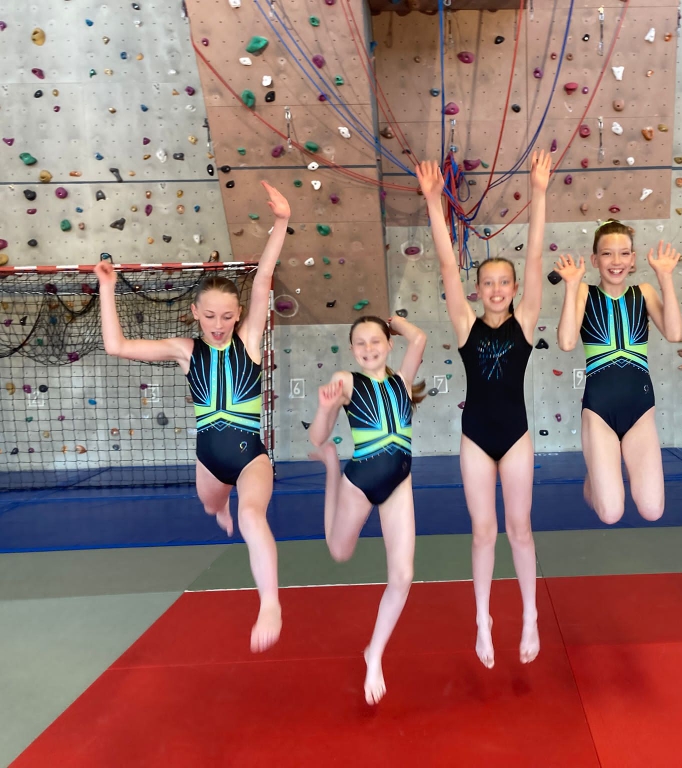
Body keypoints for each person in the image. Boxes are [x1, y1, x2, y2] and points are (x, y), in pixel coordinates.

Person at [97, 181, 291, 653]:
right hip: (208, 461)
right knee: (211, 505)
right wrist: (106, 288)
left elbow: (263, 278)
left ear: (239, 314)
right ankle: (218, 507)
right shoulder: (186, 351)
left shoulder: (249, 342)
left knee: (251, 514)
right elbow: (116, 346)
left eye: (227, 316)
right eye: (210, 316)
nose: (219, 325)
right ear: (195, 313)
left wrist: (282, 221)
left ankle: (270, 603)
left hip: (250, 456)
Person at [414, 149, 551, 668]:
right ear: (478, 291)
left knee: (520, 529)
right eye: (488, 283)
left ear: (514, 291)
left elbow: (534, 259)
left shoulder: (526, 322)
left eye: (503, 283)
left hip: (515, 437)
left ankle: (531, 615)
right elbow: (448, 265)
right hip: (474, 438)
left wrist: (539, 193)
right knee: (483, 532)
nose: (496, 290)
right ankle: (482, 620)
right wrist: (434, 202)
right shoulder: (465, 326)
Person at [308, 315, 427, 705]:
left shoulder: (402, 382)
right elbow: (317, 435)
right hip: (359, 482)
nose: (368, 348)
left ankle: (374, 653)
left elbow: (419, 338)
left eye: (376, 340)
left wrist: (394, 322)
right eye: (360, 343)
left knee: (404, 575)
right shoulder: (346, 380)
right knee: (339, 552)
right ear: (351, 349)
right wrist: (325, 408)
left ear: (389, 344)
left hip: (399, 483)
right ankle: (332, 469)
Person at [554, 224, 682, 524]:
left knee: (652, 510)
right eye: (607, 254)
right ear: (595, 260)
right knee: (611, 514)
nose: (616, 261)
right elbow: (566, 342)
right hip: (599, 413)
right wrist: (571, 286)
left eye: (624, 253)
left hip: (640, 412)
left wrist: (665, 278)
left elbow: (675, 334)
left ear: (633, 259)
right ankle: (595, 476)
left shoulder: (643, 293)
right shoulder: (585, 292)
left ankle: (606, 467)